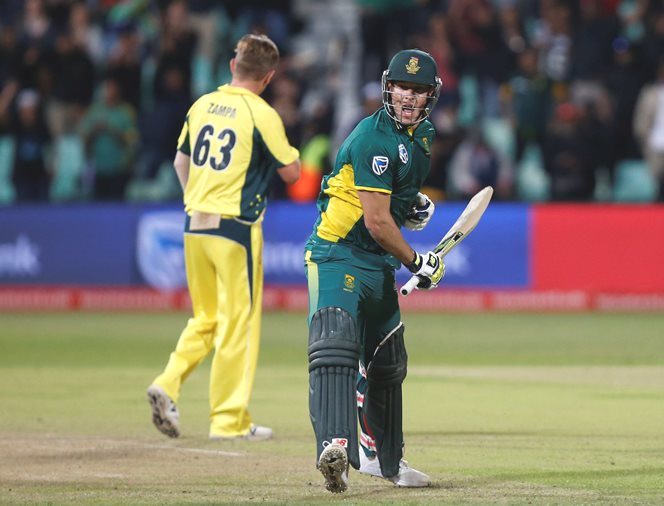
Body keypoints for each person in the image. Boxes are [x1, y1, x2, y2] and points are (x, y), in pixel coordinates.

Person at [146, 34, 300, 441]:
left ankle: (168, 382)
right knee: (238, 324)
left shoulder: (201, 106)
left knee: (206, 318)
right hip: (236, 228)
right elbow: (292, 173)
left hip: (195, 223)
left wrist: (197, 198)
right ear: (268, 76)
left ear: (234, 65)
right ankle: (228, 421)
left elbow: (180, 161)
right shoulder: (260, 113)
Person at [304, 48, 445, 493]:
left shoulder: (422, 136)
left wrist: (414, 204)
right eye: (403, 86)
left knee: (387, 363)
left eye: (418, 90)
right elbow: (377, 222)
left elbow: (393, 200)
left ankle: (388, 462)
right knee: (336, 347)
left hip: (377, 264)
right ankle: (336, 451)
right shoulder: (372, 138)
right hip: (337, 253)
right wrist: (417, 261)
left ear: (430, 96)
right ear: (389, 87)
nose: (409, 97)